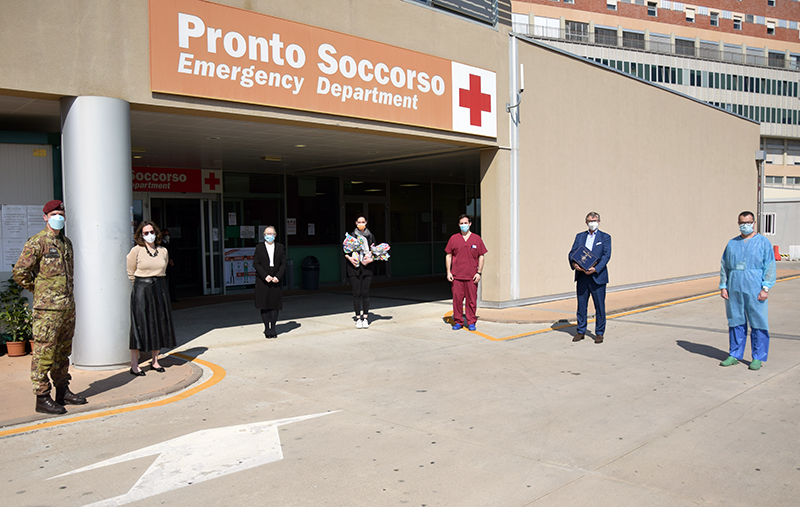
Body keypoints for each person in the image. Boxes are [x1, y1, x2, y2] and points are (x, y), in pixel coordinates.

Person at [13, 199, 88, 415]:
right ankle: (42, 397)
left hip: (66, 307)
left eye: (61, 214)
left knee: (63, 352)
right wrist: (40, 291)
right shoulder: (37, 242)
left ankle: (62, 390)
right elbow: (20, 272)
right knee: (44, 353)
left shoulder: (66, 243)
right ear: (45, 217)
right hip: (47, 310)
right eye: (54, 213)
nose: (59, 217)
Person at [719, 211, 776, 370]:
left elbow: (769, 265)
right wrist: (724, 285)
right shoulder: (732, 243)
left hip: (755, 287)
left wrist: (765, 287)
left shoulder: (763, 243)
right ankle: (734, 354)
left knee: (758, 321)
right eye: (741, 223)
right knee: (735, 320)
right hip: (735, 286)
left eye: (748, 222)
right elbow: (725, 266)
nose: (745, 225)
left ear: (754, 222)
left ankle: (758, 357)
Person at [127, 221, 176, 376]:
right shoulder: (136, 251)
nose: (149, 235)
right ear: (140, 235)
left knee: (159, 322)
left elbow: (164, 268)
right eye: (145, 233)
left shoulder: (163, 251)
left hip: (160, 287)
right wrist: (142, 286)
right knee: (139, 324)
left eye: (151, 232)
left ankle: (155, 361)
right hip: (142, 288)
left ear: (157, 233)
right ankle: (134, 364)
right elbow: (131, 272)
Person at [568, 212, 612, 344]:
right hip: (582, 276)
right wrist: (574, 264)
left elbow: (606, 255)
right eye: (590, 220)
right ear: (586, 222)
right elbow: (572, 253)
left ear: (599, 221)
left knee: (599, 306)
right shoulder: (580, 236)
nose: (592, 223)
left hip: (597, 277)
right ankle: (580, 331)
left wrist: (596, 269)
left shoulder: (605, 237)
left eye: (595, 220)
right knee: (581, 306)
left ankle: (599, 332)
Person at [445, 214, 487, 331]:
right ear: (459, 225)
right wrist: (449, 272)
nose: (464, 225)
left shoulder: (476, 239)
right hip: (457, 276)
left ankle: (471, 321)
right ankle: (458, 321)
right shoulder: (453, 239)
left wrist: (479, 272)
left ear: (470, 224)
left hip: (471, 276)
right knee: (457, 300)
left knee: (471, 301)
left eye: (465, 223)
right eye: (461, 223)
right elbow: (448, 255)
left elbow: (481, 256)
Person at [254, 225, 286, 338]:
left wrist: (278, 276)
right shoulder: (259, 248)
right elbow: (256, 263)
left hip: (275, 278)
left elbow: (283, 264)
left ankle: (273, 327)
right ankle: (267, 328)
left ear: (275, 235)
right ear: (263, 235)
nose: (269, 236)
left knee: (274, 305)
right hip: (263, 280)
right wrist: (265, 276)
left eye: (272, 234)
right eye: (267, 234)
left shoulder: (280, 247)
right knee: (264, 304)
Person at [344, 215, 376, 329]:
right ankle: (358, 318)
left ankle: (366, 318)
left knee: (365, 292)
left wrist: (370, 260)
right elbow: (345, 251)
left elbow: (375, 251)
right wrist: (350, 259)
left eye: (363, 222)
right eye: (359, 222)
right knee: (356, 293)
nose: (361, 224)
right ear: (355, 223)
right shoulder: (351, 236)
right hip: (354, 267)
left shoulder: (370, 236)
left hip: (367, 267)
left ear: (366, 222)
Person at [161, 228, 178, 302]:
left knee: (172, 282)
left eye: (168, 234)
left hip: (172, 266)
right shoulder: (160, 245)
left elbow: (175, 252)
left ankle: (172, 297)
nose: (167, 236)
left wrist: (172, 260)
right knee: (163, 283)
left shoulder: (172, 243)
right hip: (164, 266)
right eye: (165, 234)